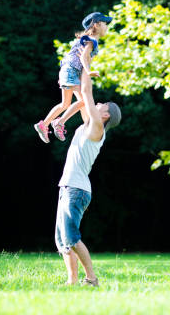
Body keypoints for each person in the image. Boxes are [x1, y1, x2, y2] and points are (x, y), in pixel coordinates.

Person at [54, 66, 121, 287]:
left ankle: (91, 279)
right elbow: (81, 96)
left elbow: (88, 95)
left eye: (102, 105)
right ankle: (72, 280)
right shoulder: (88, 125)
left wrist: (84, 62)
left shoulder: (97, 130)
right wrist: (77, 75)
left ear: (106, 115)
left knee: (71, 236)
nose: (98, 104)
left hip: (77, 189)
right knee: (63, 240)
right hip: (68, 187)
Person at [34, 12, 112, 143]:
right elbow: (83, 57)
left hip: (68, 70)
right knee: (83, 101)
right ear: (97, 25)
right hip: (71, 71)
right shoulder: (91, 41)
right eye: (105, 23)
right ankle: (59, 122)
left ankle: (44, 124)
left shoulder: (87, 39)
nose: (107, 26)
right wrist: (89, 71)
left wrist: (64, 73)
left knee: (65, 103)